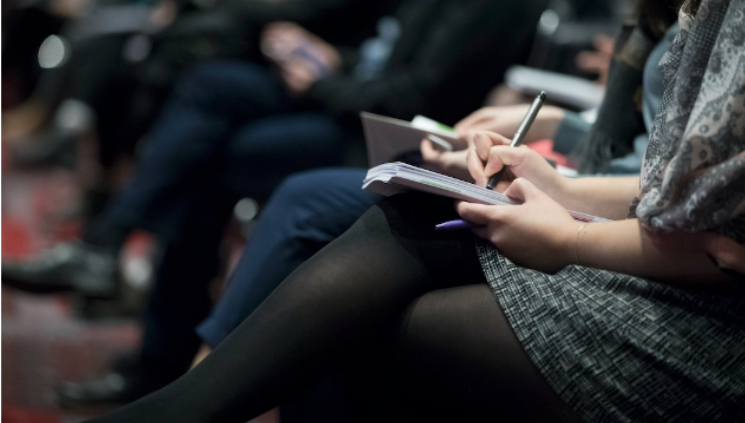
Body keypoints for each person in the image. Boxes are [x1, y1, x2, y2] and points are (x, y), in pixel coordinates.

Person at [82, 0, 745, 421]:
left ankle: (183, 398)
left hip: (719, 327)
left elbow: (725, 241)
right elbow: (668, 185)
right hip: (649, 238)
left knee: (366, 300)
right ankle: (179, 392)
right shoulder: (701, 14)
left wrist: (565, 231)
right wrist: (555, 184)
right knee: (382, 206)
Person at [3, 0, 549, 406]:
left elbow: (412, 98)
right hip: (348, 99)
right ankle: (142, 311)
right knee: (210, 85)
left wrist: (322, 78)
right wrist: (331, 60)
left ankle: (172, 365)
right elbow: (383, 55)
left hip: (392, 137)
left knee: (214, 157)